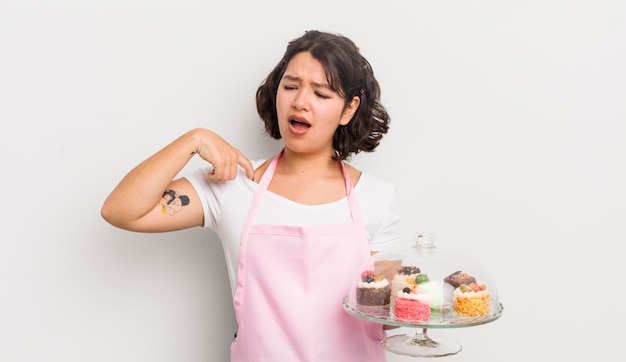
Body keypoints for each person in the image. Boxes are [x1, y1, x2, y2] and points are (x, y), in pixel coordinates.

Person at [101, 30, 403, 362]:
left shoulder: (376, 198)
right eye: (290, 87)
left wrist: (415, 297)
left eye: (321, 93)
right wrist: (193, 140)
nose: (300, 102)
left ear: (349, 109)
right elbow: (121, 210)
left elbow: (387, 314)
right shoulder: (232, 185)